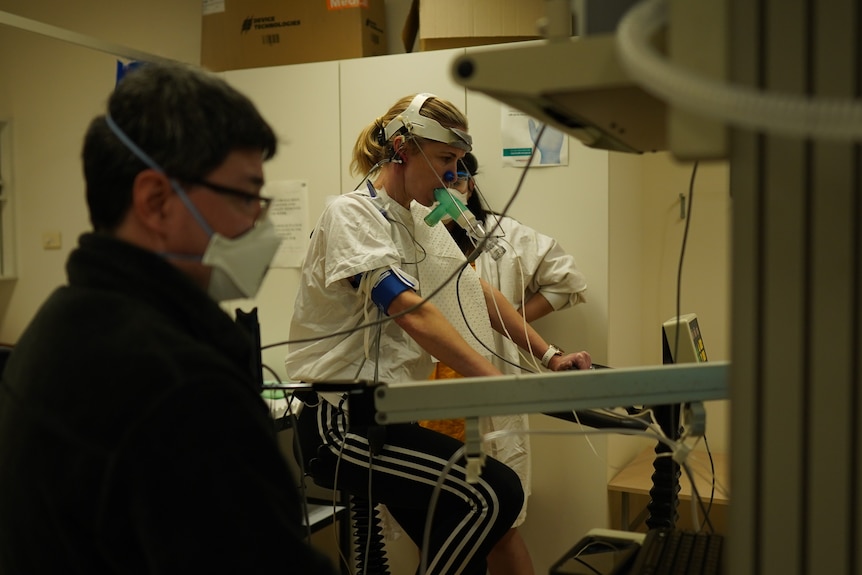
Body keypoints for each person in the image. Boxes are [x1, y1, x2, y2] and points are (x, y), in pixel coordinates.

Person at [0, 62, 337, 574]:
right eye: (246, 197)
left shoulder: (62, 321)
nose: (260, 223)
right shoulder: (181, 388)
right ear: (156, 202)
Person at [285, 93, 592, 575]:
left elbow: (481, 293)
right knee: (494, 493)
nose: (454, 175)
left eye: (458, 162)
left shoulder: (417, 222)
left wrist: (550, 355)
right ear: (403, 148)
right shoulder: (352, 214)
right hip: (340, 423)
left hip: (391, 418)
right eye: (446, 159)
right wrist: (495, 382)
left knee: (461, 538)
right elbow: (410, 312)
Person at [420, 151, 589, 575]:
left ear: (469, 186)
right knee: (437, 526)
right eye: (438, 182)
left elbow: (566, 280)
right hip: (428, 401)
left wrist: (510, 323)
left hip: (486, 391)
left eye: (455, 181)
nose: (446, 191)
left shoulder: (500, 237)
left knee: (498, 526)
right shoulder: (412, 238)